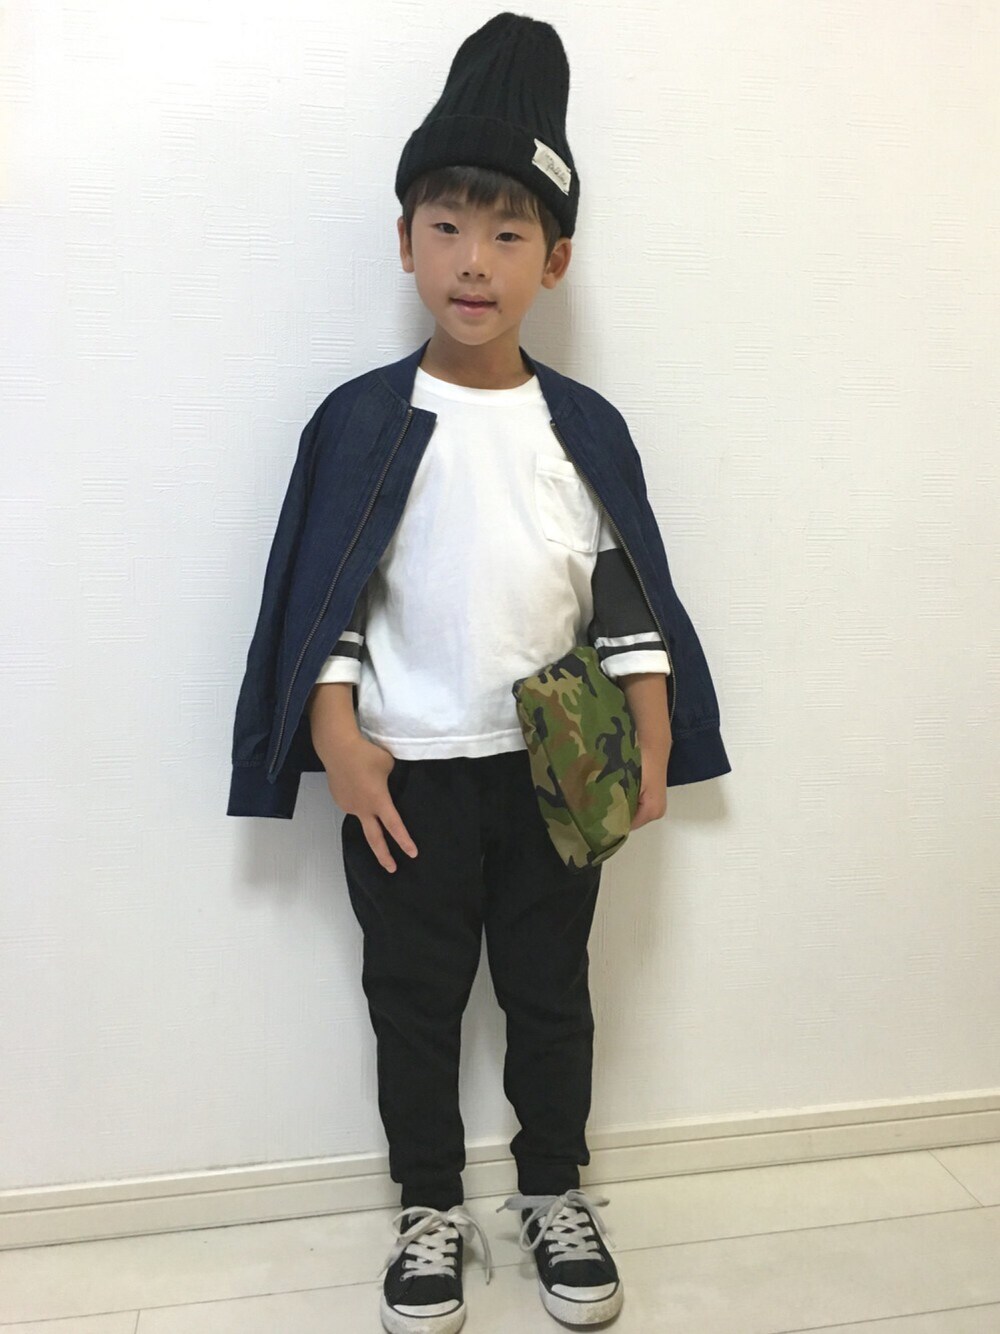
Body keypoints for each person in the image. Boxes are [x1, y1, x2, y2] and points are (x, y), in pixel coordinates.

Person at [227, 12, 731, 1332]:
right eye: (447, 225)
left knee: (551, 995)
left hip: (555, 779)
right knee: (414, 1003)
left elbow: (624, 595)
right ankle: (428, 1207)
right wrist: (337, 738)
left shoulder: (581, 427)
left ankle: (554, 1187)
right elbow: (329, 599)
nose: (473, 259)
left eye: (509, 233)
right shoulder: (362, 421)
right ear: (405, 240)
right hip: (406, 783)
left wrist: (653, 741)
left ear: (554, 261)